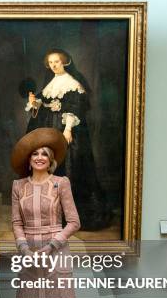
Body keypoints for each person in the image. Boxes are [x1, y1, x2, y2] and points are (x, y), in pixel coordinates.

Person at [10, 127, 80, 298]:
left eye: (45, 154)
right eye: (35, 153)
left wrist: (52, 245)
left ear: (51, 159)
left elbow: (74, 221)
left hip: (55, 252)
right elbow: (16, 221)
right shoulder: (18, 186)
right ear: (28, 159)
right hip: (28, 254)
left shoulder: (60, 183)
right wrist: (24, 248)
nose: (39, 157)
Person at [25, 48, 110, 230]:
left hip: (66, 131)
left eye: (57, 61)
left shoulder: (73, 84)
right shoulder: (50, 83)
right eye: (51, 63)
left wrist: (68, 129)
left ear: (64, 61)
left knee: (68, 167)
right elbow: (44, 103)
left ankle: (68, 216)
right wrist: (35, 103)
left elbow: (75, 107)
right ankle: (49, 215)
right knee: (49, 167)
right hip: (50, 130)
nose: (54, 65)